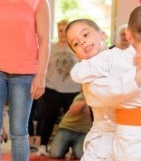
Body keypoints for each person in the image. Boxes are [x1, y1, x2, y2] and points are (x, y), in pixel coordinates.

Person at [67, 3, 141, 161]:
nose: (82, 43)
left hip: (136, 138)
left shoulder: (119, 57)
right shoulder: (92, 78)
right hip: (108, 142)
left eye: (85, 35)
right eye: (75, 44)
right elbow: (120, 89)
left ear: (103, 35)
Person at [0, 0, 51, 161]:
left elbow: (45, 40)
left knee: (19, 132)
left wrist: (41, 76)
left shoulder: (38, 2)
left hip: (25, 73)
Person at [36, 19, 81, 156]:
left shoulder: (76, 47)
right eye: (60, 30)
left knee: (72, 121)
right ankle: (43, 146)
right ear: (57, 31)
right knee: (48, 117)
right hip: (52, 88)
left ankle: (73, 149)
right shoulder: (50, 47)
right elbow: (41, 66)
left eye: (65, 30)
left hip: (72, 89)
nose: (62, 33)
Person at [49, 92, 92, 159]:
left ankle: (72, 148)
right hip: (68, 127)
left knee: (81, 156)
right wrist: (86, 100)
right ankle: (66, 147)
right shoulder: (81, 96)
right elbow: (73, 110)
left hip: (83, 131)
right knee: (55, 154)